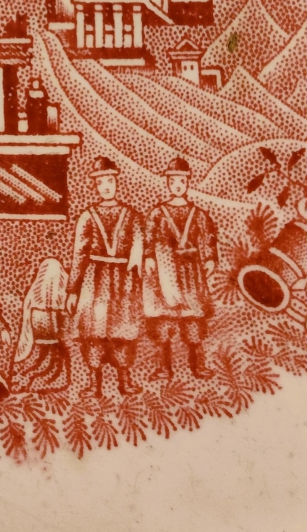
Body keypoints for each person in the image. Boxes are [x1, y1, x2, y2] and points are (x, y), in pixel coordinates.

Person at [67, 157, 143, 395]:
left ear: (117, 182)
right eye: (100, 182)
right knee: (93, 331)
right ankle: (94, 383)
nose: (106, 187)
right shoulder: (87, 217)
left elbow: (139, 244)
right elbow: (79, 254)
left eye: (109, 181)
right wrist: (73, 290)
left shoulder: (131, 215)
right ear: (95, 186)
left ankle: (125, 380)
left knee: (124, 330)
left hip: (124, 280)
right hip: (94, 280)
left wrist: (137, 264)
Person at [143, 157, 218, 379]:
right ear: (167, 183)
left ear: (188, 183)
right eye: (173, 181)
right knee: (163, 318)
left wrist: (210, 258)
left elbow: (208, 237)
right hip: (164, 270)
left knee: (193, 316)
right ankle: (164, 367)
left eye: (182, 181)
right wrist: (149, 257)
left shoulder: (198, 214)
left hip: (190, 270)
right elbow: (149, 237)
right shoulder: (157, 213)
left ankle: (197, 365)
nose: (177, 185)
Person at [14, 258, 69, 391]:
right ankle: (32, 378)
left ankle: (31, 377)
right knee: (48, 356)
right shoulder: (58, 291)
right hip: (47, 325)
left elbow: (28, 307)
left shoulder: (37, 293)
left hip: (42, 323)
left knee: (46, 356)